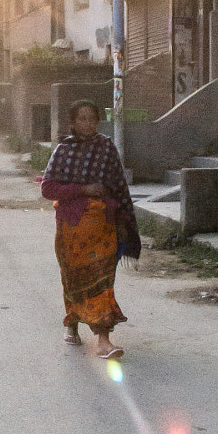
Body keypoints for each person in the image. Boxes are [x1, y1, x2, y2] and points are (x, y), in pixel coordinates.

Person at [40, 100, 141, 357]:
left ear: (98, 121)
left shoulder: (106, 148)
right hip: (71, 229)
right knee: (74, 279)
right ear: (72, 123)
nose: (87, 123)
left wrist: (126, 224)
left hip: (103, 227)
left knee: (103, 280)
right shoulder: (64, 150)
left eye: (91, 118)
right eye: (81, 119)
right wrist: (83, 189)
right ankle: (72, 323)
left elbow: (119, 187)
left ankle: (103, 340)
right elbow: (48, 189)